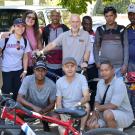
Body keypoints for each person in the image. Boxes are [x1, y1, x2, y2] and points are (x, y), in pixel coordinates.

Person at [87, 61, 134, 129]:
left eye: (106, 70)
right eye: (101, 70)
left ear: (113, 71)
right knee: (92, 124)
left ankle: (114, 132)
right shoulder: (100, 83)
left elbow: (113, 106)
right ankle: (109, 129)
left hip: (124, 115)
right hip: (105, 113)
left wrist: (96, 109)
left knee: (108, 114)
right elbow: (97, 101)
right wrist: (94, 113)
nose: (103, 73)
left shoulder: (119, 83)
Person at [17, 60, 56, 132]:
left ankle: (45, 122)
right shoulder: (27, 79)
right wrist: (34, 107)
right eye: (38, 70)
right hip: (28, 108)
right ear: (34, 71)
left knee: (55, 116)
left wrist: (43, 111)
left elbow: (52, 104)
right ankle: (22, 125)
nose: (40, 73)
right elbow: (19, 98)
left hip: (43, 110)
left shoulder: (52, 85)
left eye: (43, 70)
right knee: (18, 106)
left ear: (46, 72)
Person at [1, 11, 43, 75]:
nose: (31, 19)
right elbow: (9, 37)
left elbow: (40, 48)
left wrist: (39, 54)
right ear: (24, 17)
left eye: (33, 18)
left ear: (35, 20)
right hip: (20, 64)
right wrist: (4, 35)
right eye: (29, 17)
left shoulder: (38, 31)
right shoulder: (19, 28)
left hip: (33, 63)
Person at [56, 57, 90, 134]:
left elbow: (87, 97)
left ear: (76, 67)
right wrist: (62, 117)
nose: (70, 69)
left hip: (78, 108)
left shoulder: (82, 78)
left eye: (72, 66)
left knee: (87, 105)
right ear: (63, 68)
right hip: (66, 111)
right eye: (67, 66)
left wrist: (77, 104)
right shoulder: (59, 81)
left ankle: (81, 129)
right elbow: (58, 103)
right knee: (62, 131)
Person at [93, 6, 128, 78]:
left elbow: (126, 47)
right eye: (107, 16)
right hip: (103, 67)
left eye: (111, 15)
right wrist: (97, 62)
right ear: (104, 17)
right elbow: (96, 46)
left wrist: (125, 65)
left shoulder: (122, 29)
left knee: (118, 88)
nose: (109, 18)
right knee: (104, 88)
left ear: (115, 16)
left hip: (119, 67)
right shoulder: (100, 30)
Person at [0, 18, 31, 100]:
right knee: (5, 93)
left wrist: (25, 71)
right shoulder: (6, 38)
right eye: (18, 26)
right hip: (6, 70)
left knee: (17, 92)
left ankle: (15, 111)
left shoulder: (25, 41)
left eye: (23, 26)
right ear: (14, 27)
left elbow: (25, 56)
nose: (20, 28)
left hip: (18, 71)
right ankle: (5, 111)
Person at [42, 10, 69, 82]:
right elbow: (43, 43)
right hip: (49, 62)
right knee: (50, 82)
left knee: (61, 83)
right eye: (53, 15)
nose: (55, 17)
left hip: (62, 63)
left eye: (57, 16)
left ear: (60, 17)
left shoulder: (65, 28)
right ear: (50, 17)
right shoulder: (46, 29)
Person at [82, 16, 98, 111]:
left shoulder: (95, 34)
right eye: (86, 23)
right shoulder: (78, 34)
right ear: (82, 24)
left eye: (90, 23)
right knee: (83, 90)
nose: (88, 25)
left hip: (93, 66)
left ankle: (92, 109)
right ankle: (83, 110)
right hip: (82, 67)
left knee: (95, 88)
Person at [126, 4, 135, 72]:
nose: (132, 16)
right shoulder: (126, 29)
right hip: (130, 63)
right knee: (131, 82)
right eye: (130, 14)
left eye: (134, 14)